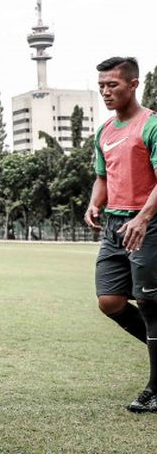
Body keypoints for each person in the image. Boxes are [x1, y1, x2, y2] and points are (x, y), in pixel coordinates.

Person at [85, 56, 157, 412]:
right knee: (110, 301)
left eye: (112, 85)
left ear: (133, 84)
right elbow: (103, 175)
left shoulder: (151, 125)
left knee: (149, 303)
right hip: (114, 227)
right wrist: (94, 203)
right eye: (101, 86)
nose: (105, 92)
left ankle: (156, 387)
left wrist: (143, 219)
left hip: (147, 224)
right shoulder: (105, 131)